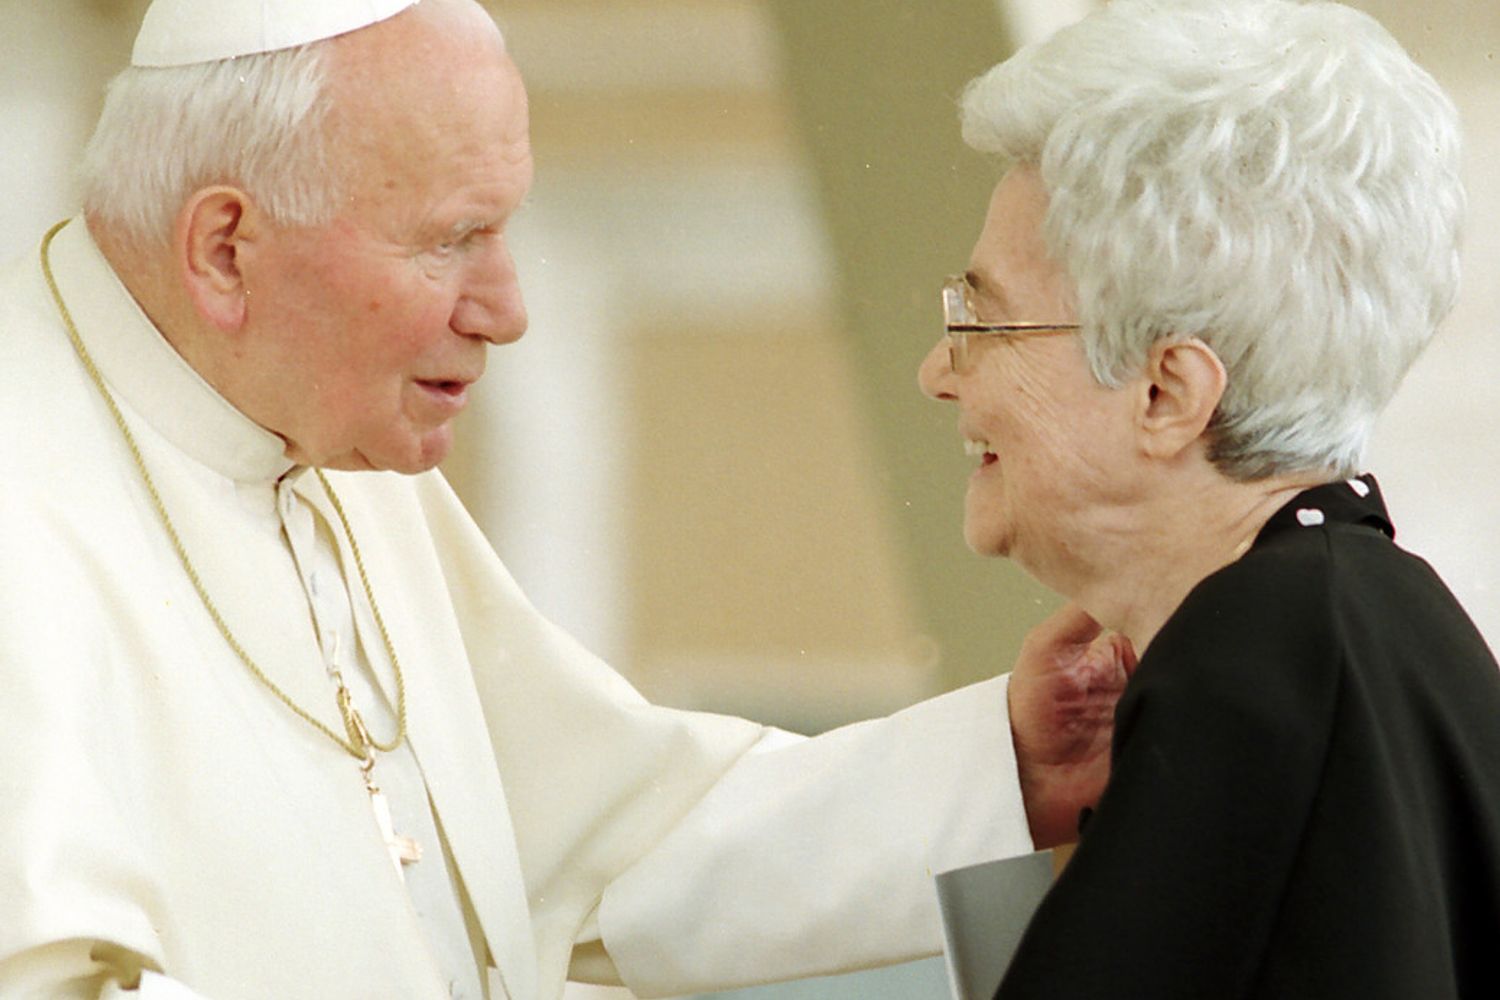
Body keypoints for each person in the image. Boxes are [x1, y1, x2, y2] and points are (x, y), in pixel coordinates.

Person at [0, 1, 1132, 998]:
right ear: (226, 249)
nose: (505, 307)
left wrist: (1013, 767)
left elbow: (598, 846)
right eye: (454, 240)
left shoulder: (321, 442)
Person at [916, 1, 1500, 997]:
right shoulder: (1383, 623)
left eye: (983, 321)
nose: (938, 371)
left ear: (1166, 393)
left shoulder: (1259, 656)